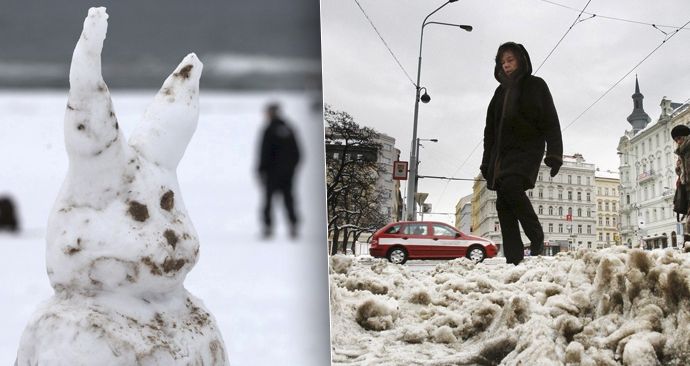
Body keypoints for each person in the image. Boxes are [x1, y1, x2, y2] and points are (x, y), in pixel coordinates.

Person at [480, 42, 563, 265]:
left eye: (510, 60)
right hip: (501, 156)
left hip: (526, 150)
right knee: (503, 204)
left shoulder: (536, 85)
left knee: (511, 187)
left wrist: (555, 153)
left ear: (521, 60)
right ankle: (514, 259)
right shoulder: (499, 93)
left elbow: (551, 120)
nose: (506, 65)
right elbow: (489, 131)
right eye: (502, 62)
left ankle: (535, 235)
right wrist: (486, 162)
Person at [258, 102, 301, 238]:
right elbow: (298, 153)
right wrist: (291, 169)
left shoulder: (269, 129)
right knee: (289, 200)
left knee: (268, 201)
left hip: (271, 173)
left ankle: (268, 227)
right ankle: (293, 225)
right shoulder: (288, 128)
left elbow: (264, 153)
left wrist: (262, 169)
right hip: (287, 173)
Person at [672, 124, 690, 250]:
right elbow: (680, 171)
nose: (678, 141)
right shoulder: (681, 153)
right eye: (676, 139)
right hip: (687, 188)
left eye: (679, 138)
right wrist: (678, 169)